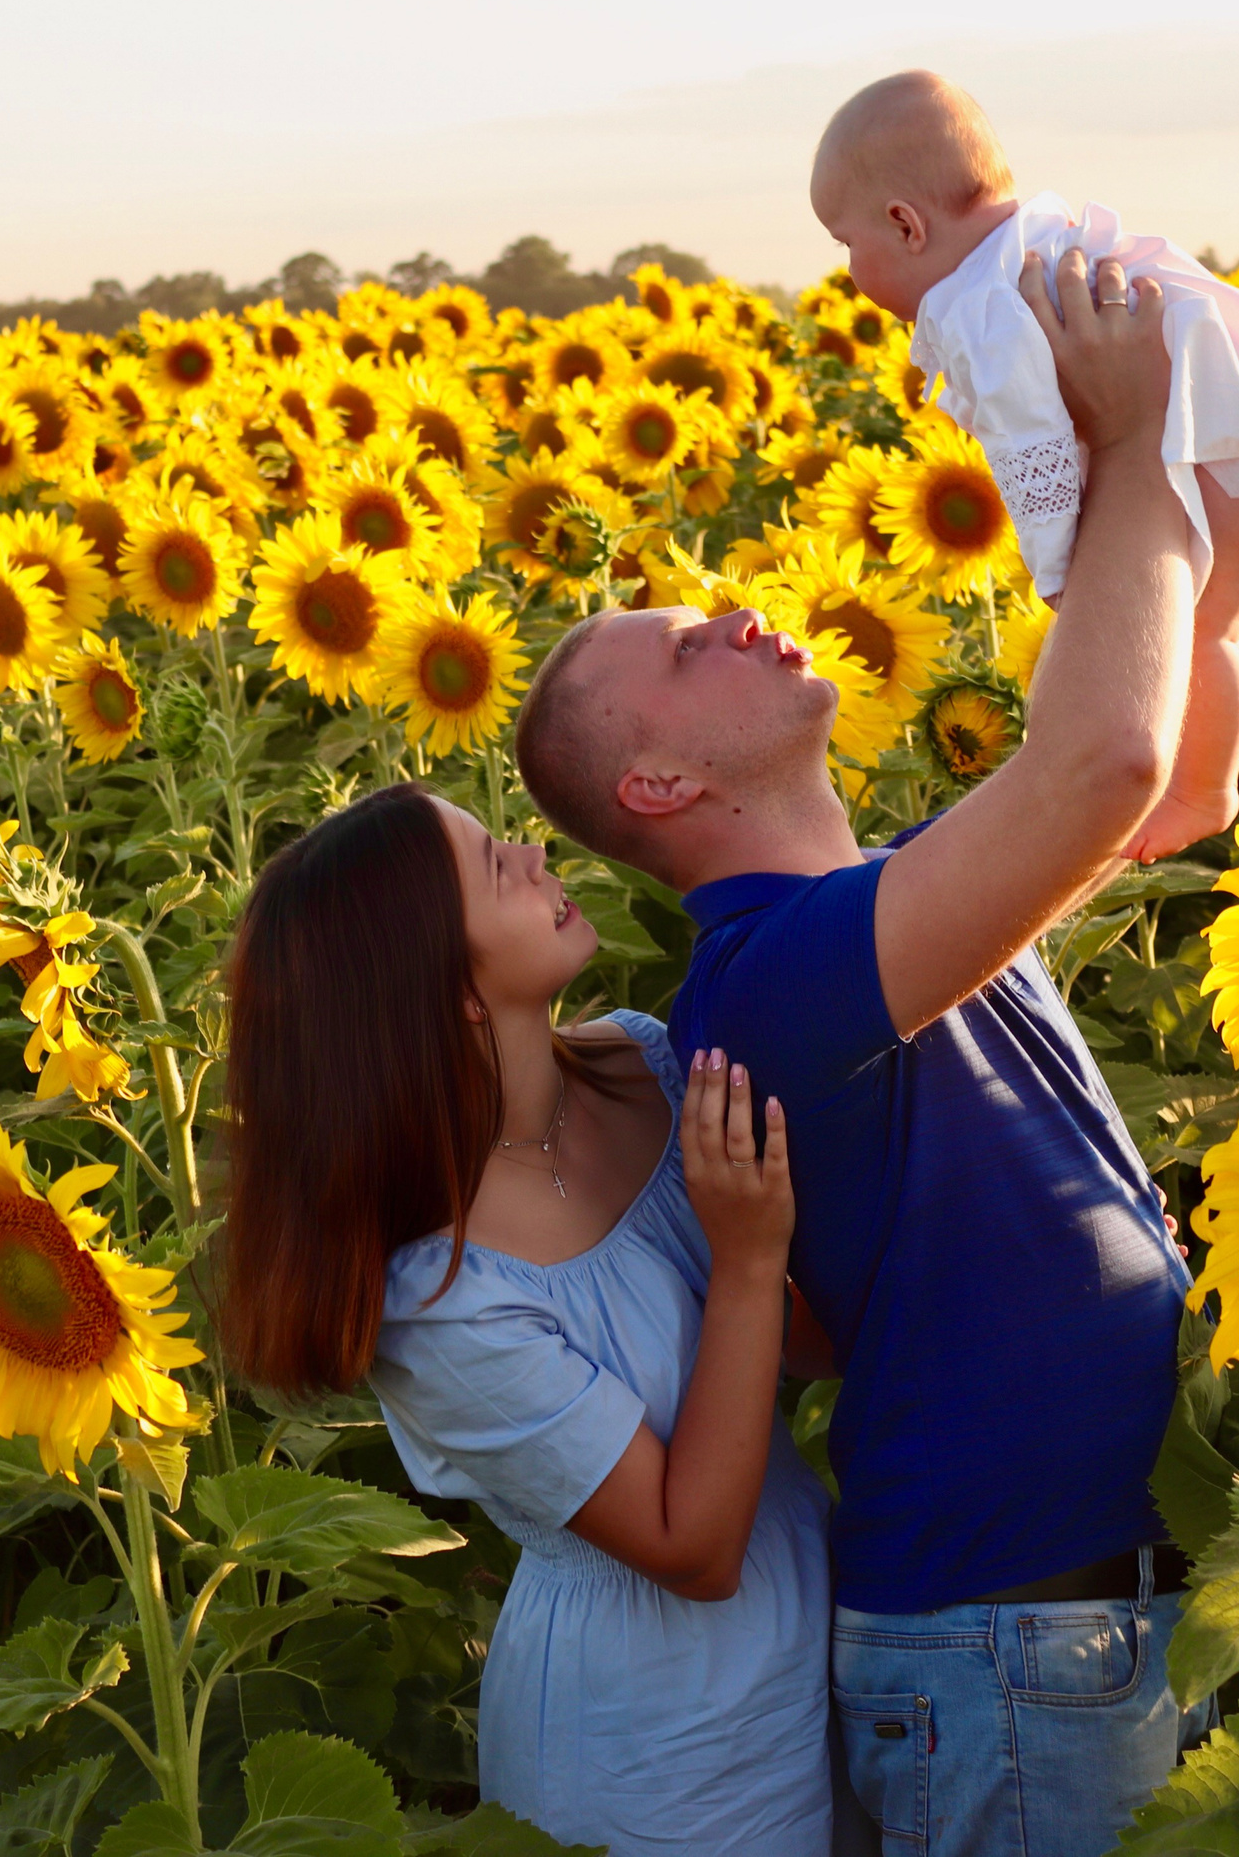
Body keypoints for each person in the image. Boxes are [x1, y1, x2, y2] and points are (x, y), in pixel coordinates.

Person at [511, 252, 1196, 1856]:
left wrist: (1217, 507)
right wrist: (1137, 445)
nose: (739, 613)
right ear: (662, 790)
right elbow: (1105, 756)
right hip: (1016, 1640)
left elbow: (1176, 779)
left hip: (1072, 1625)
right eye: (685, 649)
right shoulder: (774, 981)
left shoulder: (882, 916)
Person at [219, 782, 837, 1856]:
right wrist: (744, 1259)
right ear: (448, 986)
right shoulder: (441, 1301)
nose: (533, 850)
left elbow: (819, 1337)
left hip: (823, 1629)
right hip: (655, 1735)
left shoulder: (644, 1063)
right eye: (491, 864)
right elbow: (691, 1547)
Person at [811, 70, 1239, 862]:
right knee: (1229, 611)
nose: (847, 271)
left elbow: (1029, 440)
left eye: (847, 244)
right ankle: (1206, 771)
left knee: (1202, 624)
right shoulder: (1044, 240)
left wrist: (1069, 576)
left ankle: (1200, 791)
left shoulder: (981, 303)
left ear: (906, 225)